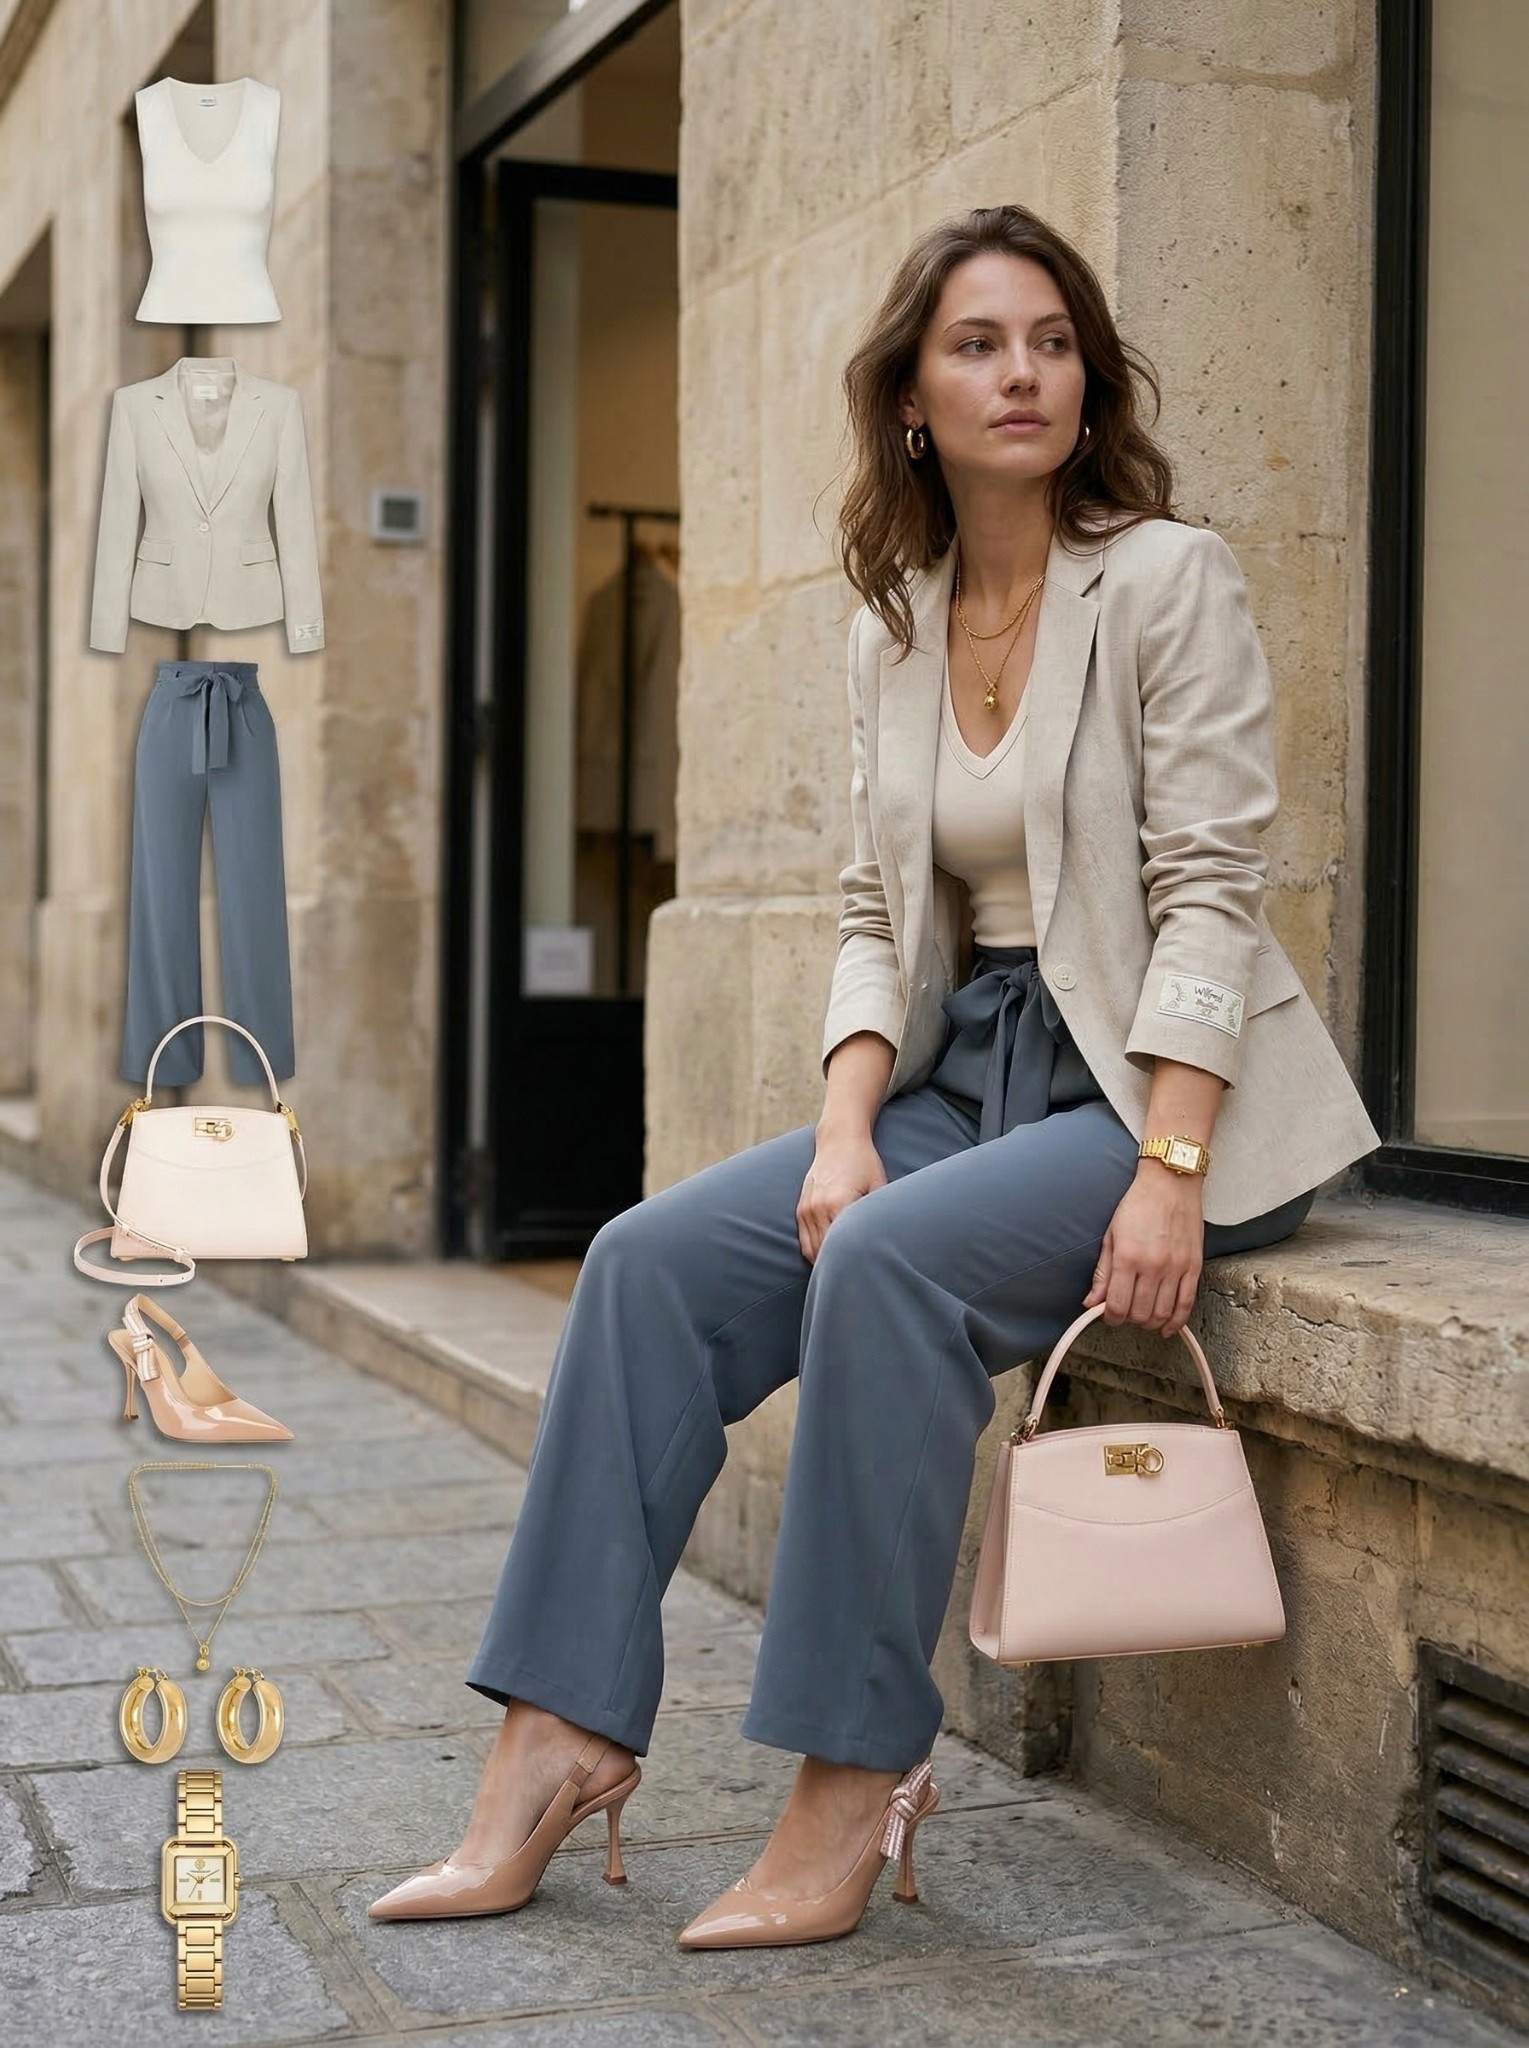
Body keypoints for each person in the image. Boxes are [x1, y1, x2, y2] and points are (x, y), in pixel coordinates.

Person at [369, 204, 1380, 1949]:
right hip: (964, 1064)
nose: (1022, 374)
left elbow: (1216, 891)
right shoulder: (895, 620)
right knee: (647, 1265)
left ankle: (852, 1775)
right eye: (978, 345)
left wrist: (1169, 1167)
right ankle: (554, 1739)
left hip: (1152, 1085)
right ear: (912, 394)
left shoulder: (1164, 577)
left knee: (892, 1267)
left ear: (1088, 380)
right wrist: (843, 1130)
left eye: (1052, 342)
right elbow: (871, 912)